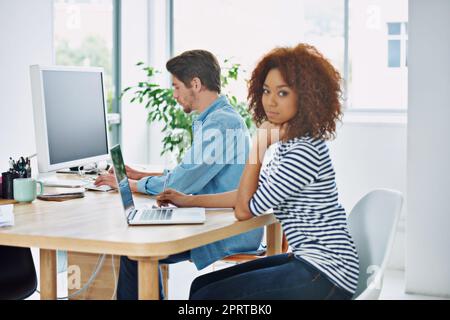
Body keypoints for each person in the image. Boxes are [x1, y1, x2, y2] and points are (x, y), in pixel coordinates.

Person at [157, 44, 360, 300]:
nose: (271, 101)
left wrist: (259, 144)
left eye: (283, 93)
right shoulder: (291, 145)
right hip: (309, 262)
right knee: (200, 287)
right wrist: (187, 200)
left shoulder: (303, 151)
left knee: (207, 298)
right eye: (266, 91)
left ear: (307, 96)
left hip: (326, 274)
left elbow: (243, 210)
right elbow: (247, 194)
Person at [95, 49, 263, 300]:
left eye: (176, 87)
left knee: (136, 250)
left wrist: (127, 183)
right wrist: (142, 174)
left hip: (229, 231)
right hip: (221, 220)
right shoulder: (214, 118)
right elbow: (189, 171)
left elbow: (182, 183)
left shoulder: (221, 124)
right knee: (138, 246)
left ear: (195, 84)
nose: (174, 95)